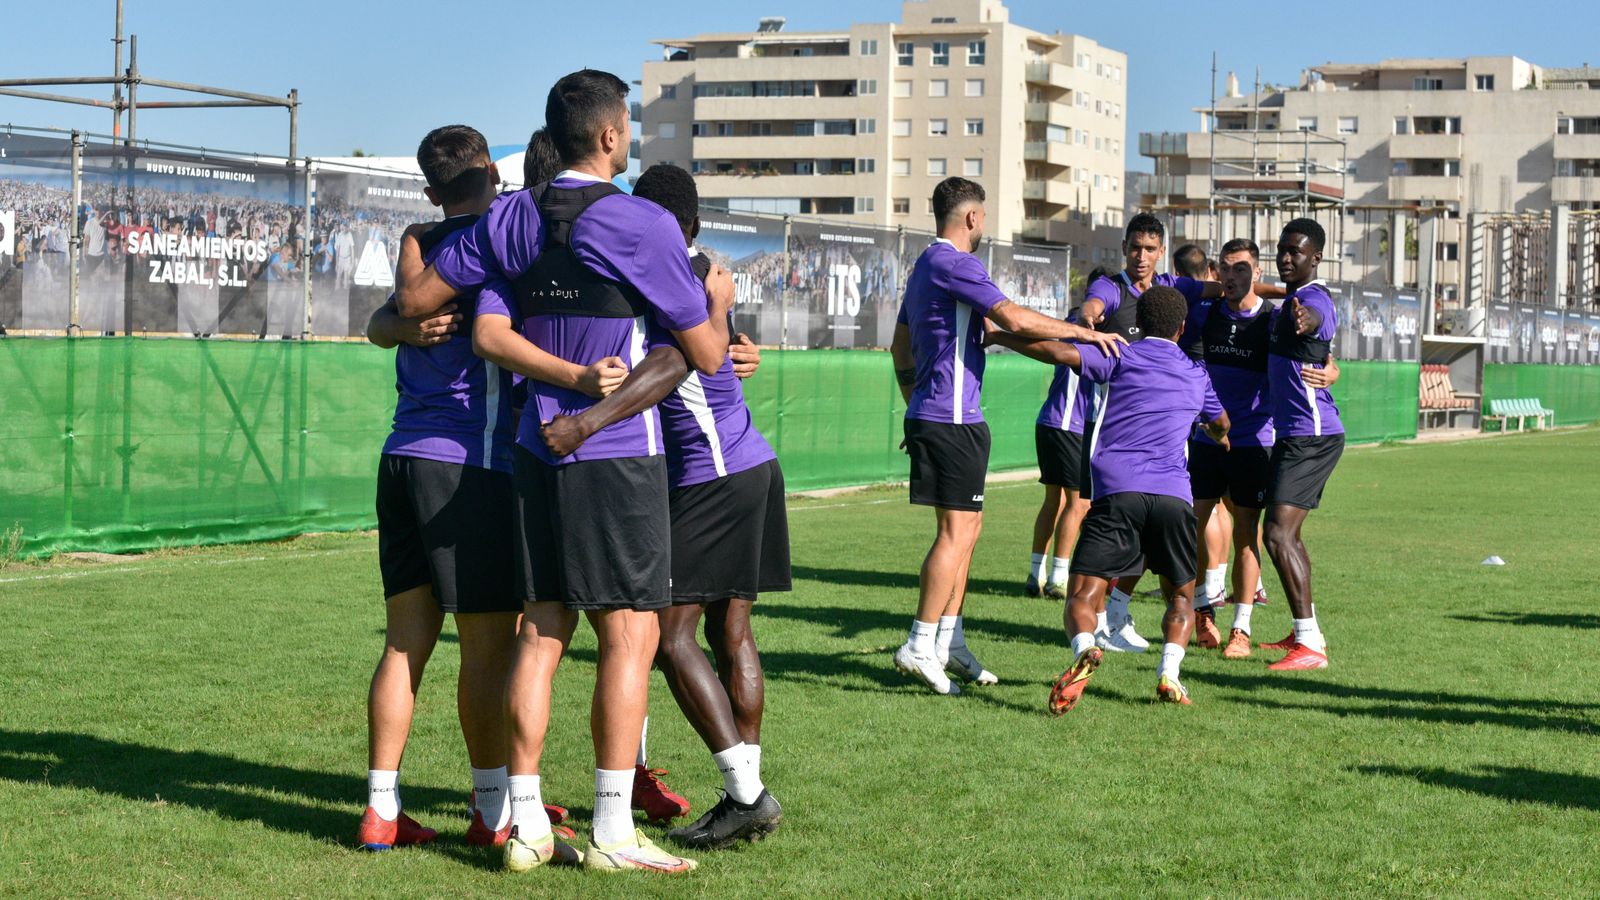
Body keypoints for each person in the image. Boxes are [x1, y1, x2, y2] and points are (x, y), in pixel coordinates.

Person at [398, 69, 733, 875]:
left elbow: (423, 306)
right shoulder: (644, 224)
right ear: (612, 136)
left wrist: (398, 317)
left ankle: (526, 825)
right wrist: (708, 301)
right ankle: (613, 829)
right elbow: (708, 354)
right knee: (630, 632)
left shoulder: (512, 216)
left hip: (528, 447)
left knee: (542, 633)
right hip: (613, 456)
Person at [358, 125, 611, 853]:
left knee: (405, 644)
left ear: (432, 191)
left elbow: (392, 313)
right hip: (473, 463)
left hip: (402, 455)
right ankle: (494, 809)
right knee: (487, 650)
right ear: (492, 181)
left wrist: (397, 328)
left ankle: (381, 808)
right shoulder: (508, 239)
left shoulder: (419, 241)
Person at [540, 162, 787, 850]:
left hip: (710, 474)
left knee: (665, 635)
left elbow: (679, 361)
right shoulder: (703, 269)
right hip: (748, 464)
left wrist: (587, 421)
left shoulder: (672, 272)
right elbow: (716, 345)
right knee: (727, 635)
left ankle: (744, 794)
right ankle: (735, 789)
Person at [889, 177, 1124, 696]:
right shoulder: (955, 262)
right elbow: (1011, 316)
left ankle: (949, 641)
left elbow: (899, 346)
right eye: (985, 217)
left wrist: (916, 408)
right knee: (955, 535)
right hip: (950, 421)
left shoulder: (924, 266)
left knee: (967, 535)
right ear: (972, 218)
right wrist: (1085, 332)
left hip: (947, 417)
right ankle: (918, 642)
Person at [989, 286, 1229, 712]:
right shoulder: (1196, 374)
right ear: (1181, 328)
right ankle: (1169, 674)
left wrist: (999, 336)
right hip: (1174, 496)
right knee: (1179, 596)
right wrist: (1216, 433)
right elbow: (1221, 421)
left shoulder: (1121, 354)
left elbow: (1058, 353)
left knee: (1080, 596)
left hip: (1117, 491)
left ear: (1142, 322)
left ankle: (1085, 648)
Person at [1069, 215, 1240, 654]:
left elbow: (1222, 290)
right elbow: (1091, 307)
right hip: (1112, 433)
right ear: (1124, 247)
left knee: (1146, 524)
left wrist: (1273, 299)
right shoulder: (1113, 288)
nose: (1141, 257)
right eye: (1135, 248)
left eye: (1149, 249)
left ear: (1161, 251)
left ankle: (1114, 614)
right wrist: (1085, 321)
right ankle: (1119, 618)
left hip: (1159, 440)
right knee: (1120, 521)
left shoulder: (1172, 289)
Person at [1259, 219, 1344, 671]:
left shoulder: (1313, 300)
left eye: (1297, 251)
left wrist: (1302, 318)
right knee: (1286, 533)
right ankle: (1302, 633)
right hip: (1295, 434)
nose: (1287, 257)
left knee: (1277, 533)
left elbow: (1315, 318)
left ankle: (1311, 645)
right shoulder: (1291, 297)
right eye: (1282, 250)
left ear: (1317, 258)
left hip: (1311, 436)